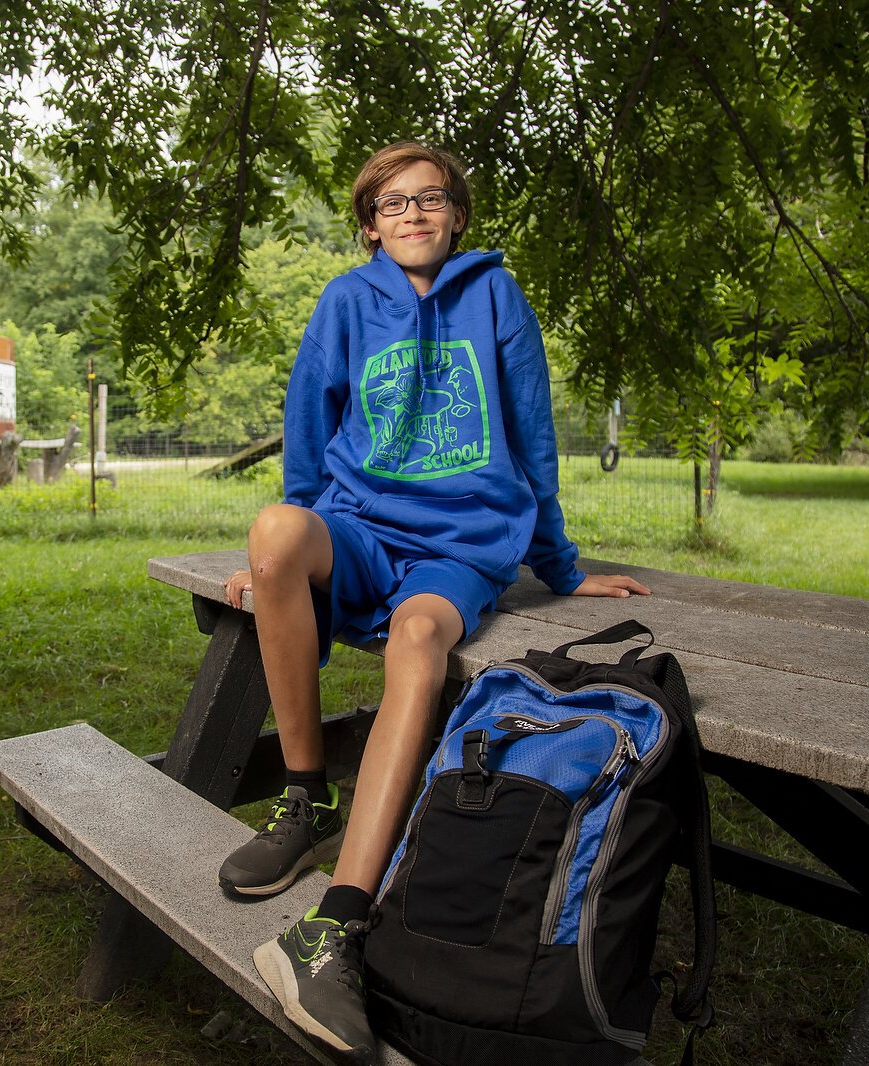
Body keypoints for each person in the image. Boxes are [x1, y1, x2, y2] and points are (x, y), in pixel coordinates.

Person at [217, 142, 651, 1064]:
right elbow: (309, 427)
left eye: (431, 198)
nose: (413, 213)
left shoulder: (495, 296)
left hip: (460, 544)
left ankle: (334, 924)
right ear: (370, 225)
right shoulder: (345, 301)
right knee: (276, 528)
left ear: (456, 215)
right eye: (392, 202)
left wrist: (560, 566)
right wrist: (279, 559)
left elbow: (531, 433)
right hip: (358, 526)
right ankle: (305, 799)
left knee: (419, 639)